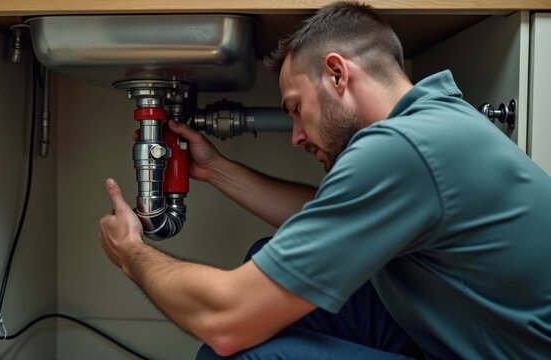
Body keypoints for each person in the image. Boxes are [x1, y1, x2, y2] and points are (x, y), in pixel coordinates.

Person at [98, 1, 551, 358]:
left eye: (296, 108)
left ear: (337, 73)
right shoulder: (432, 120)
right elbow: (333, 216)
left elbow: (225, 321)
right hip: (460, 335)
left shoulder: (401, 149)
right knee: (265, 258)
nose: (295, 136)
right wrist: (216, 170)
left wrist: (131, 253)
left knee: (241, 351)